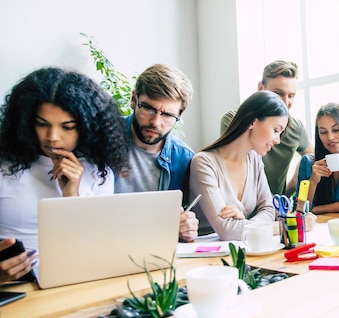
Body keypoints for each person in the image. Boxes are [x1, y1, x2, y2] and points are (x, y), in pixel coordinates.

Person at [0, 67, 128, 283]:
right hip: (15, 286)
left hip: (78, 280)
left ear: (87, 128)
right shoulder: (5, 167)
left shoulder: (99, 172)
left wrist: (72, 195)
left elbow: (97, 247)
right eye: (42, 124)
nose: (52, 137)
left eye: (67, 127)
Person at [114, 64, 198, 242]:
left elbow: (185, 220)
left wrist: (187, 227)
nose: (156, 122)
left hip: (152, 253)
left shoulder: (184, 159)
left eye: (167, 115)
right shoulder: (103, 137)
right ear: (133, 99)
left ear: (179, 115)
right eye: (148, 109)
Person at [189, 91, 287, 240]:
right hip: (204, 254)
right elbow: (227, 231)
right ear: (253, 122)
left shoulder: (254, 160)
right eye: (276, 130)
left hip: (239, 248)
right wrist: (287, 226)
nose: (277, 140)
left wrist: (247, 224)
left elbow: (268, 209)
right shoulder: (204, 163)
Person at [220, 60, 313, 195]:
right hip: (242, 210)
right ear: (260, 88)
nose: (285, 102)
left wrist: (293, 185)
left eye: (291, 96)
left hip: (275, 210)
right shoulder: (233, 120)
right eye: (278, 93)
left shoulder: (295, 128)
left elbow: (311, 157)